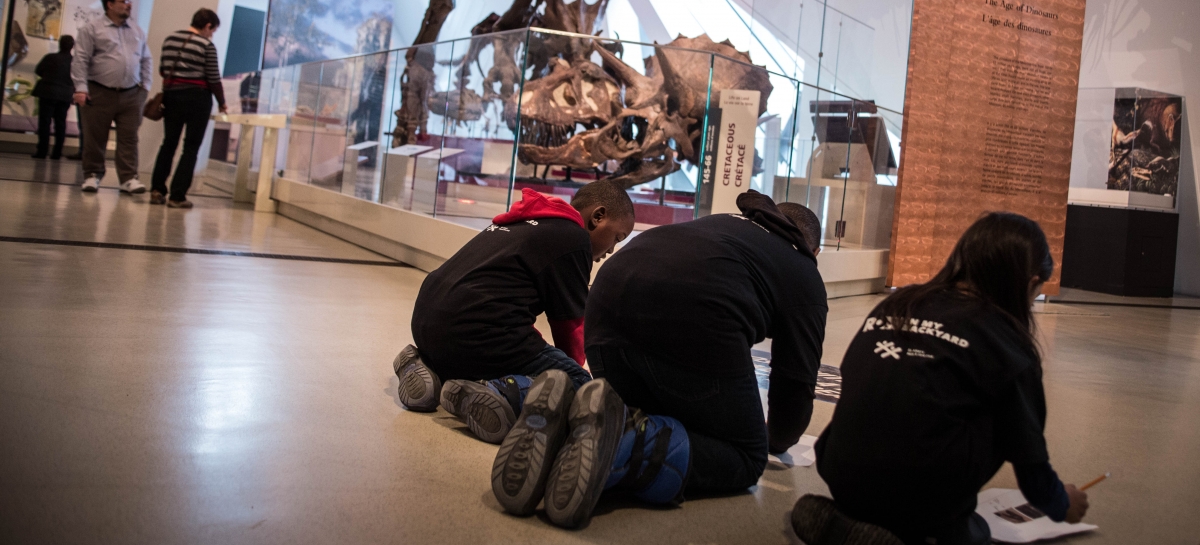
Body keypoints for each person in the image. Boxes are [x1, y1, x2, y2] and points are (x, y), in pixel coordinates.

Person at [489, 190, 827, 528]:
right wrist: (776, 439)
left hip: (604, 307)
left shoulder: (723, 224)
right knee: (744, 457)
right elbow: (794, 386)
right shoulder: (804, 269)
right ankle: (621, 449)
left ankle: (525, 404)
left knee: (626, 415)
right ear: (815, 251)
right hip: (692, 317)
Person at [791, 212, 1089, 545]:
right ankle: (917, 535)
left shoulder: (898, 303)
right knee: (1005, 429)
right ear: (1029, 282)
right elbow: (1030, 465)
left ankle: (845, 525)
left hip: (841, 479)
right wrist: (1063, 503)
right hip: (923, 502)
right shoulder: (1006, 343)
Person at [393, 182, 635, 445]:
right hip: (475, 333)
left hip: (426, 322)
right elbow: (571, 328)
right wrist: (568, 374)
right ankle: (502, 393)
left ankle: (427, 366)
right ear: (598, 217)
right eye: (617, 238)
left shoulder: (531, 219)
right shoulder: (574, 238)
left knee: (500, 344)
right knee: (577, 383)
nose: (611, 250)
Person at [72, 0, 153, 194]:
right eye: (124, 1)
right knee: (95, 137)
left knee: (129, 138)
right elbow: (80, 59)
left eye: (129, 1)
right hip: (99, 91)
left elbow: (146, 59)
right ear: (110, 4)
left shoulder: (136, 30)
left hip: (132, 94)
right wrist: (81, 88)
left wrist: (145, 86)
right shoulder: (92, 29)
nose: (129, 5)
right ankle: (92, 175)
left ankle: (128, 179)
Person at [150, 9, 228, 208]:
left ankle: (157, 189)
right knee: (190, 147)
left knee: (168, 143)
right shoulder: (206, 45)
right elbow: (213, 78)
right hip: (197, 99)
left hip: (172, 96)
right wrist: (222, 102)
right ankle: (177, 195)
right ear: (207, 25)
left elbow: (162, 69)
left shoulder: (170, 39)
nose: (211, 35)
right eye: (213, 30)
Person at [31, 35, 75, 159]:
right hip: (64, 95)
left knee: (45, 123)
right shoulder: (75, 62)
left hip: (47, 92)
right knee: (60, 124)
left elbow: (38, 70)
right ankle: (57, 152)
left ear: (60, 44)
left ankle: (42, 151)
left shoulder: (50, 58)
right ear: (72, 46)